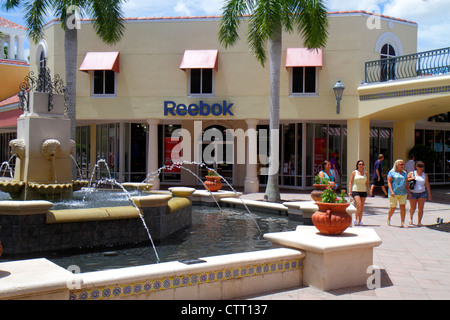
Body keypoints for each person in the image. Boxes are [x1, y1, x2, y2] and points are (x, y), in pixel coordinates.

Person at [387, 159, 410, 228]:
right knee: (393, 207)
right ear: (397, 165)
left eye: (403, 164)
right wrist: (391, 191)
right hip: (394, 193)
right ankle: (388, 219)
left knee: (403, 208)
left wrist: (409, 192)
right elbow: (389, 182)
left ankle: (402, 222)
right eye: (401, 164)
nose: (402, 166)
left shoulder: (404, 173)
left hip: (403, 193)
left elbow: (406, 183)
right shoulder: (391, 172)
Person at [407, 161, 432, 226]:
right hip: (413, 193)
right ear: (416, 167)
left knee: (420, 208)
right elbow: (405, 180)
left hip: (422, 193)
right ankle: (411, 218)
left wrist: (429, 193)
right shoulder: (412, 173)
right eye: (419, 166)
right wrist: (411, 178)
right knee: (413, 208)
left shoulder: (425, 175)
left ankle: (419, 222)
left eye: (422, 166)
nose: (421, 168)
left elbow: (427, 184)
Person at [348, 160, 371, 226]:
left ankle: (360, 221)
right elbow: (351, 182)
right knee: (359, 205)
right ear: (357, 165)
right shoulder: (354, 172)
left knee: (362, 206)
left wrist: (369, 191)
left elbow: (367, 183)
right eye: (360, 164)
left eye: (362, 164)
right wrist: (349, 191)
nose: (361, 165)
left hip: (363, 191)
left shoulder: (365, 173)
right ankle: (355, 218)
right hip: (355, 190)